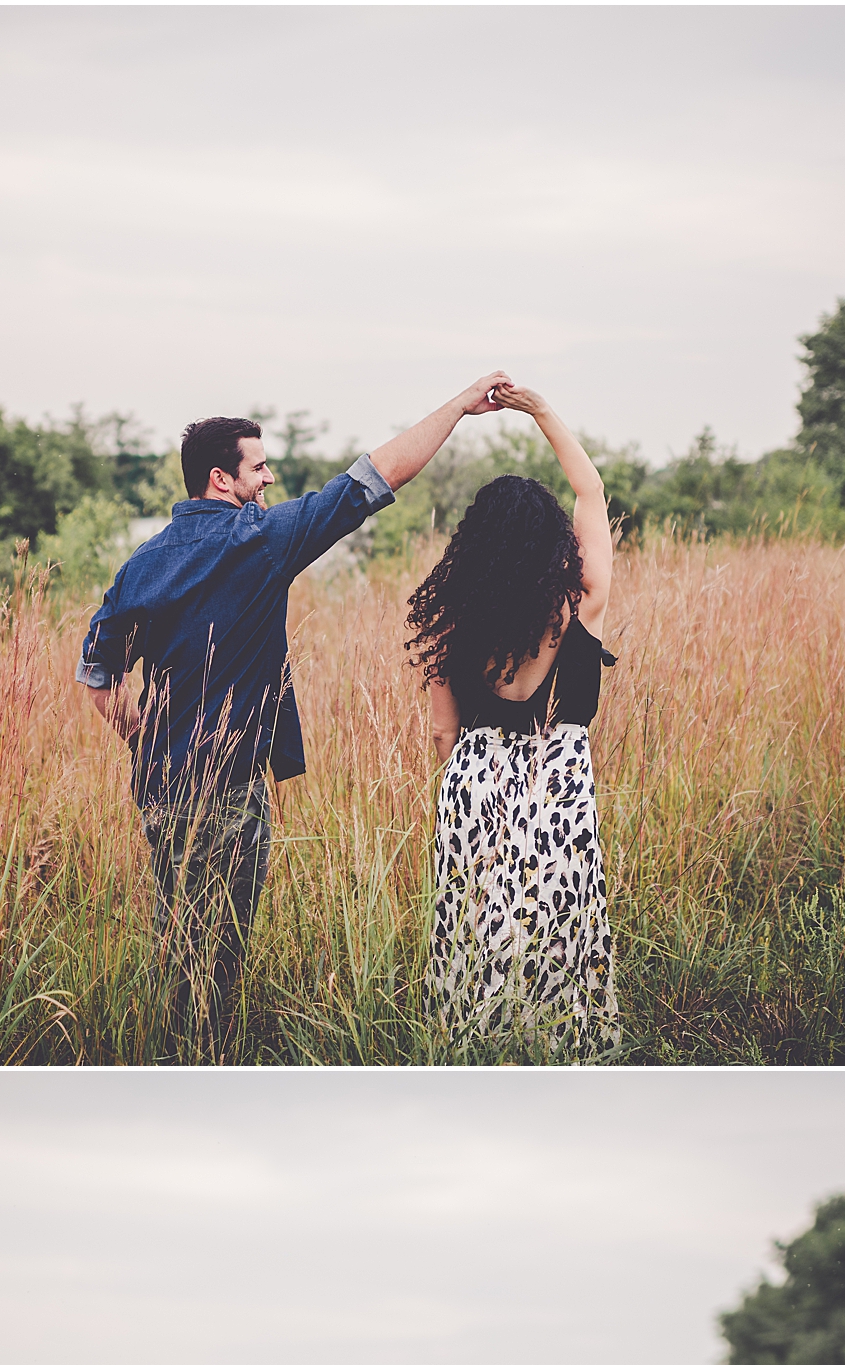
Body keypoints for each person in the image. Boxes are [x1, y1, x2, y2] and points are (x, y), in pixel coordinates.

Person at [79, 374, 512, 1051]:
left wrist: (144, 738)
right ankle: (200, 1072)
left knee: (179, 945)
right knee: (216, 961)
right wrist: (458, 406)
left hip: (160, 792)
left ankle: (180, 1062)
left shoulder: (143, 564)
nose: (270, 476)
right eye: (259, 466)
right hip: (228, 796)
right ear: (221, 479)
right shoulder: (262, 541)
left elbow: (97, 674)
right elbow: (375, 476)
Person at [406, 384, 621, 1054]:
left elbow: (443, 732)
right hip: (558, 777)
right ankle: (562, 1043)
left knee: (476, 921)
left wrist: (467, 780)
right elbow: (591, 493)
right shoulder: (580, 602)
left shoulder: (451, 622)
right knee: (561, 917)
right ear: (551, 539)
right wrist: (541, 412)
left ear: (476, 544)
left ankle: (473, 1042)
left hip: (475, 777)